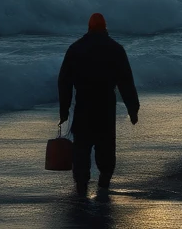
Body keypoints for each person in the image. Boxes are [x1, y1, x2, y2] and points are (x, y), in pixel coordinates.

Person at [58, 12, 139, 194]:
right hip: (105, 105)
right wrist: (133, 109)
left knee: (81, 148)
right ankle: (103, 184)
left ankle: (81, 186)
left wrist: (64, 110)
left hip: (84, 105)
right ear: (105, 28)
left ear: (89, 27)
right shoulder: (116, 49)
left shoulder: (76, 48)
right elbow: (126, 81)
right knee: (106, 146)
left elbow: (64, 81)